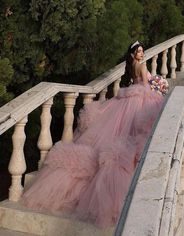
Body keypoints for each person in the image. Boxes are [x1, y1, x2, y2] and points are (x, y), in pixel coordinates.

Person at [22, 41, 165, 227]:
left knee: (117, 129)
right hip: (139, 100)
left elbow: (135, 82)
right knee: (133, 131)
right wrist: (157, 90)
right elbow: (145, 86)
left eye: (142, 51)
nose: (141, 53)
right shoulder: (143, 65)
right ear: (133, 54)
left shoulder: (132, 67)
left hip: (128, 99)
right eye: (139, 51)